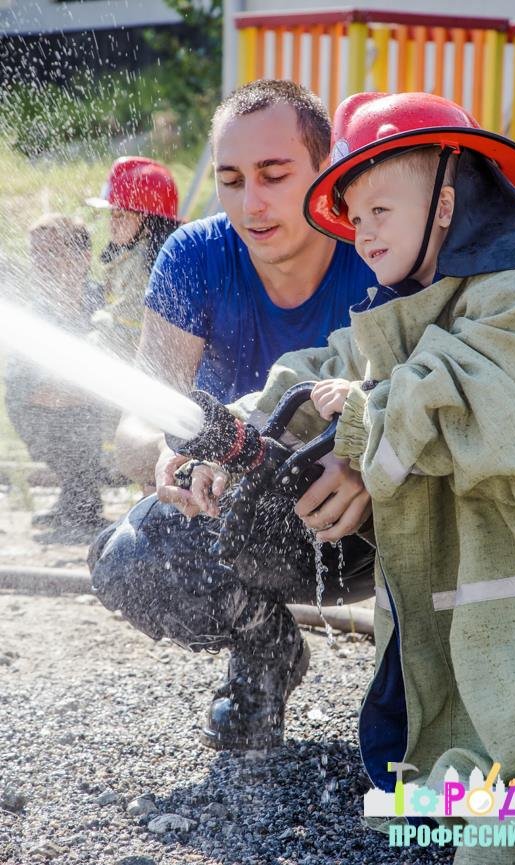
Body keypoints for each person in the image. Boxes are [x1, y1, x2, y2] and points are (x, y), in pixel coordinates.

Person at [211, 91, 515, 861]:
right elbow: (324, 374)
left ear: (446, 202)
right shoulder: (415, 313)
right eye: (352, 213)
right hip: (493, 648)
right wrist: (227, 427)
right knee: (419, 803)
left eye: (379, 207)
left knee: (511, 834)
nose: (360, 231)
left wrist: (360, 425)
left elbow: (453, 392)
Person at [89, 80, 376, 751]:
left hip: (370, 525)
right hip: (239, 521)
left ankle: (434, 690)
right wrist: (168, 453)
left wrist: (372, 452)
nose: (253, 202)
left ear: (324, 168)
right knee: (125, 561)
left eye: (275, 175)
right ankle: (265, 650)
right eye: (230, 178)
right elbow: (137, 419)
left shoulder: (377, 251)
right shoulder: (192, 256)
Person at [4, 213, 108, 537]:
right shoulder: (33, 316)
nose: (40, 262)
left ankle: (90, 490)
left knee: (80, 411)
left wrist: (81, 392)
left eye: (51, 252)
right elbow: (21, 385)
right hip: (72, 409)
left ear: (83, 258)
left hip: (111, 419)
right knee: (22, 400)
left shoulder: (106, 305)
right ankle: (77, 495)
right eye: (35, 253)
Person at [86, 156, 180, 359]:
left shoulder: (149, 268)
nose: (112, 224)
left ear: (148, 222)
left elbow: (126, 331)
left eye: (120, 216)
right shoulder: (131, 257)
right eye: (111, 215)